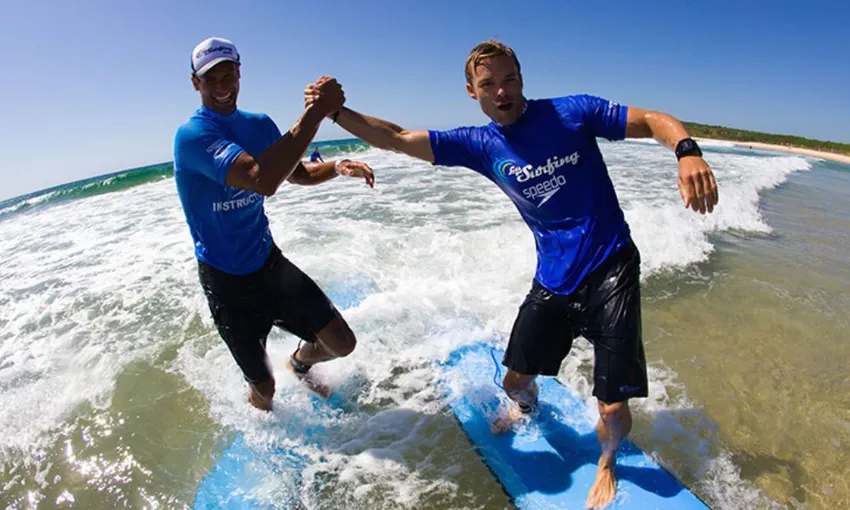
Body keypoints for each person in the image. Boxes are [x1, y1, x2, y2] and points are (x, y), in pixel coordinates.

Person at [305, 40, 718, 509]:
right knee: (515, 382)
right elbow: (397, 137)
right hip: (554, 278)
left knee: (613, 405)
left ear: (522, 80)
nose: (502, 92)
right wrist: (336, 113)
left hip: (611, 266)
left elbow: (651, 120)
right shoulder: (481, 145)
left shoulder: (572, 114)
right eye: (488, 85)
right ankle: (527, 409)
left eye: (509, 80)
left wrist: (686, 150)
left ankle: (607, 460)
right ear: (472, 92)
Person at [173, 37, 375, 412]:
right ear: (195, 83)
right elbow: (261, 179)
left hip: (269, 264)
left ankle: (298, 362)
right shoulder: (193, 136)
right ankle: (266, 434)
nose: (221, 87)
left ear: (239, 73)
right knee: (264, 388)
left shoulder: (260, 125)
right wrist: (316, 112)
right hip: (226, 281)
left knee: (342, 343)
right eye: (210, 79)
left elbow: (295, 174)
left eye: (228, 75)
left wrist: (335, 167)